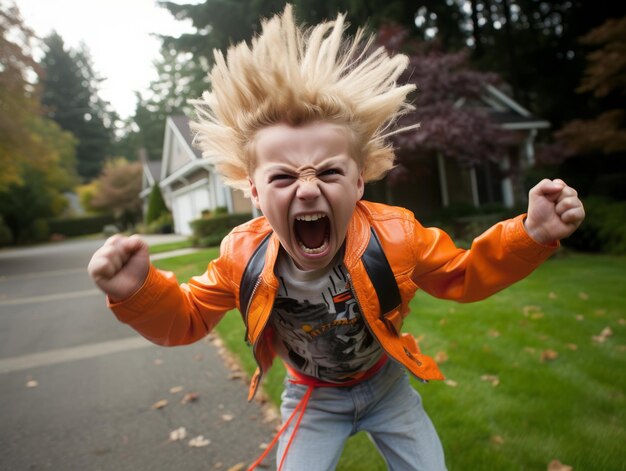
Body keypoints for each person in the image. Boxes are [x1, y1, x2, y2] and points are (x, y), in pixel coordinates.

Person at [87, 6, 585, 470]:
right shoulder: (243, 255)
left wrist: (532, 234)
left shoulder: (396, 236)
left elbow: (463, 275)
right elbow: (189, 319)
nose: (307, 190)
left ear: (359, 181)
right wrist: (139, 291)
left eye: (328, 172)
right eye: (283, 178)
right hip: (312, 398)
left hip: (387, 388)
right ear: (255, 192)